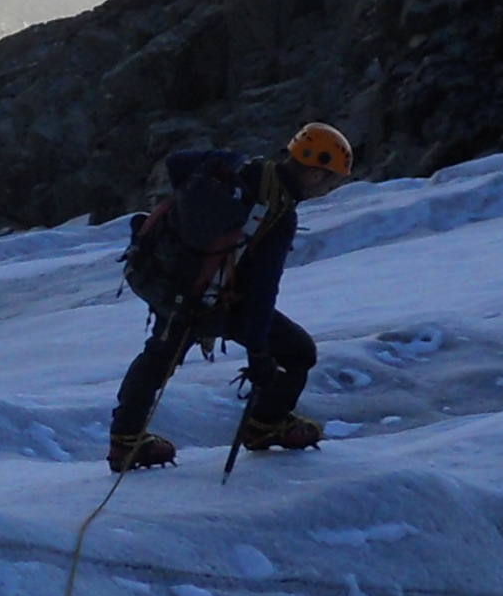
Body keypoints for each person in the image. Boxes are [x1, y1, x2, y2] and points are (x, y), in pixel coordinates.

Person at [109, 122, 356, 471]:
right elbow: (262, 291)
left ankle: (125, 441)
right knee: (300, 352)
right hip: (215, 299)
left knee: (158, 359)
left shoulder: (236, 166)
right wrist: (259, 354)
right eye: (330, 183)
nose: (327, 190)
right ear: (315, 174)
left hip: (171, 279)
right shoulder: (278, 213)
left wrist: (194, 233)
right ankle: (266, 424)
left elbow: (177, 162)